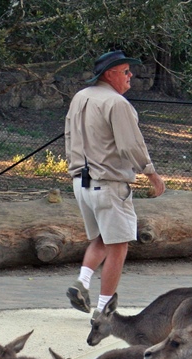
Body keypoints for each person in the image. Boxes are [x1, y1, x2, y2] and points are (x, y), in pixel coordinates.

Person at [64, 50, 165, 315]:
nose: (131, 75)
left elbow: (68, 136)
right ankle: (103, 310)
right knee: (119, 246)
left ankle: (82, 282)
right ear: (110, 74)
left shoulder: (80, 97)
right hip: (108, 184)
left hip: (81, 182)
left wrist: (73, 170)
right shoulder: (117, 103)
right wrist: (151, 173)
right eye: (125, 71)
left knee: (101, 237)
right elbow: (130, 143)